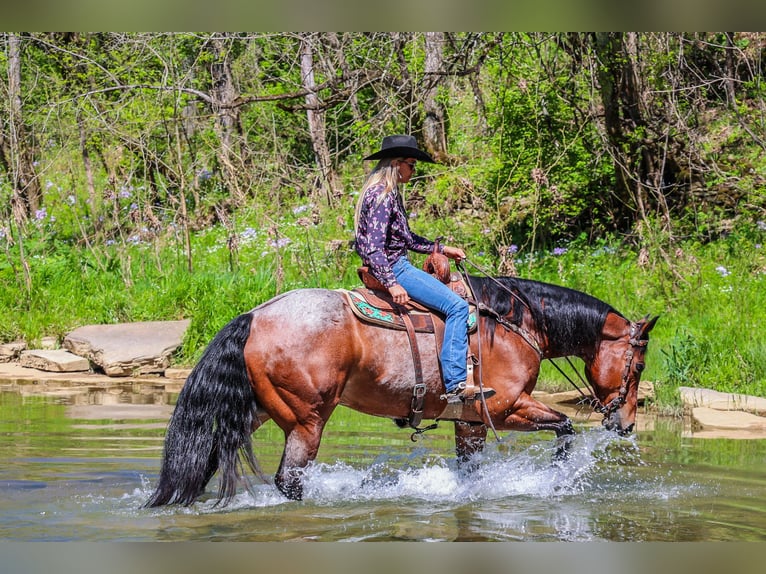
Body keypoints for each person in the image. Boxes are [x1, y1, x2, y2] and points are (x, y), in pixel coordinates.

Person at [354, 134, 494, 403]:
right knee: (457, 307)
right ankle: (455, 383)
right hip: (396, 267)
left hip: (393, 263)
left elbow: (405, 239)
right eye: (411, 164)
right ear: (396, 164)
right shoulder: (383, 196)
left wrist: (441, 250)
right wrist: (392, 282)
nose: (413, 170)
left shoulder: (386, 193)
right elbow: (374, 248)